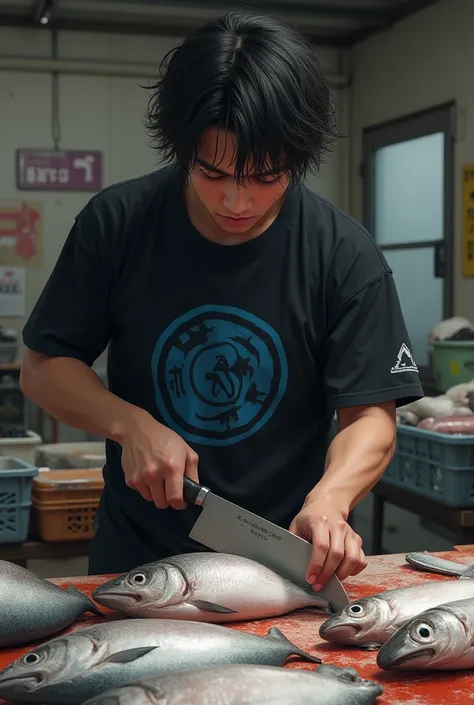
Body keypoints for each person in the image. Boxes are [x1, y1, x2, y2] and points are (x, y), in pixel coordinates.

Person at [20, 11, 423, 589]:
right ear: (181, 146)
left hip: (287, 560)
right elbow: (43, 368)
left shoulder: (343, 255)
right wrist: (129, 425)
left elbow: (369, 417)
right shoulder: (117, 224)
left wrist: (332, 499)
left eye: (266, 176)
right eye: (212, 171)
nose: (237, 200)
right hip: (138, 558)